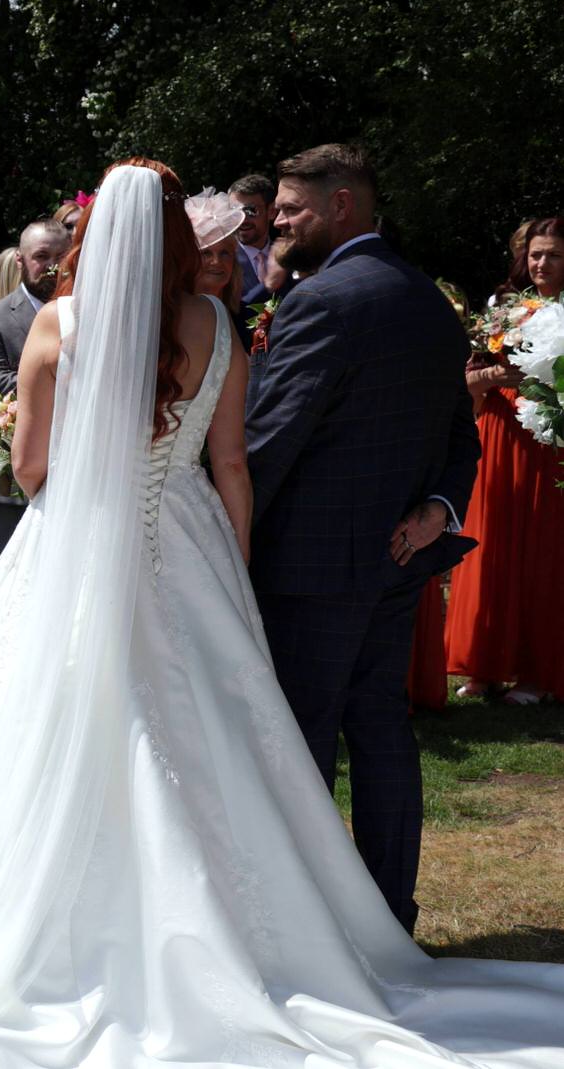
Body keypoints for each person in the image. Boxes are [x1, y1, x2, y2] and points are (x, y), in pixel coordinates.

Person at [0, 158, 564, 1068]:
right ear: (175, 237)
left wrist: (92, 475)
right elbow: (234, 465)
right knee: (230, 736)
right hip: (191, 542)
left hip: (74, 543)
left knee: (41, 719)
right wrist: (232, 574)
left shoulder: (55, 324)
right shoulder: (218, 326)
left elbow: (34, 470)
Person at [248, 143, 480, 932]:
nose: (276, 221)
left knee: (304, 739)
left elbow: (272, 440)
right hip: (398, 561)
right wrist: (438, 508)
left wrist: (214, 527)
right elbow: (462, 437)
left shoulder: (324, 303)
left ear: (342, 204)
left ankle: (309, 924)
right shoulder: (428, 301)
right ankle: (388, 913)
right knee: (380, 730)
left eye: (290, 207)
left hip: (311, 569)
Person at [445, 216, 564, 705]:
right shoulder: (506, 308)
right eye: (536, 254)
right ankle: (484, 665)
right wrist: (491, 373)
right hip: (497, 432)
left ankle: (536, 673)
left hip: (545, 440)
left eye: (554, 254)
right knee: (489, 543)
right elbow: (476, 372)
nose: (542, 263)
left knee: (537, 547)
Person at [0, 218, 66, 565]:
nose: (53, 265)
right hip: (11, 477)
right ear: (20, 260)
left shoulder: (88, 315)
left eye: (62, 255)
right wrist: (64, 378)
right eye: (42, 256)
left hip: (76, 469)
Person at [185, 186, 253, 339]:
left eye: (225, 253)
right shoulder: (176, 316)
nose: (216, 261)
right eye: (206, 253)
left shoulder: (247, 317)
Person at [231, 173, 278, 304]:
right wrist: (269, 284)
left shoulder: (287, 256)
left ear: (272, 211)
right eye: (235, 212)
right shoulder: (223, 259)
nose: (243, 219)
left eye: (251, 210)